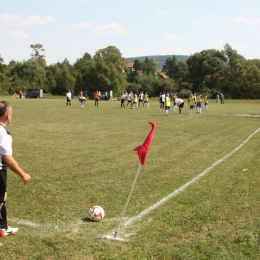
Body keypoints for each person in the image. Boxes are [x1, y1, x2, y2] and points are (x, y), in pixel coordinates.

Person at [0, 101, 31, 237]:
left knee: (2, 196)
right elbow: (8, 159)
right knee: (0, 199)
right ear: (7, 116)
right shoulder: (4, 134)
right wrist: (23, 174)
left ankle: (3, 227)